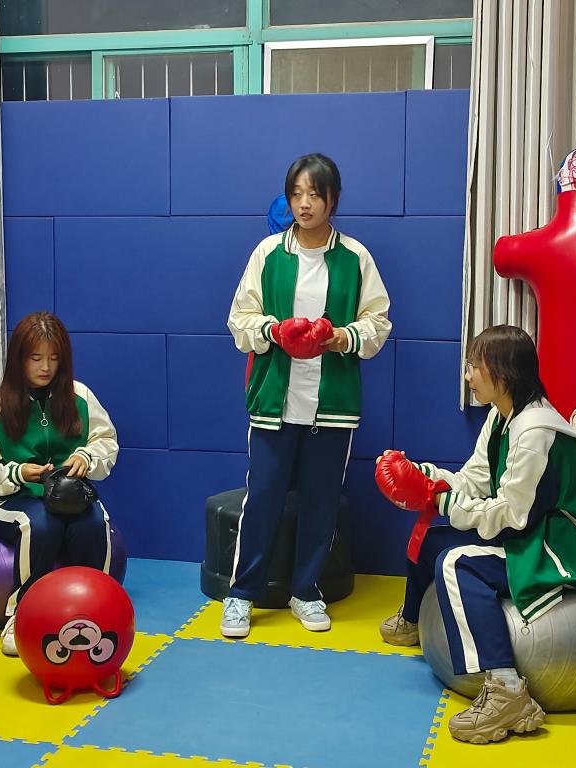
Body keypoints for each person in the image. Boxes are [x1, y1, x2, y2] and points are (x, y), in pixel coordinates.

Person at [375, 325, 576, 743]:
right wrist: (425, 480)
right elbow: (475, 481)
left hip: (559, 545)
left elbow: (511, 514)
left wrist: (446, 503)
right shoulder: (501, 417)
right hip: (531, 532)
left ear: (503, 373)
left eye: (474, 367)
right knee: (431, 540)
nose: (467, 375)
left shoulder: (534, 431)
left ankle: (507, 690)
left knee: (455, 563)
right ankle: (413, 620)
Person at [224, 153, 391, 637]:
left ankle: (306, 590)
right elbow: (239, 319)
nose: (305, 204)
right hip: (273, 402)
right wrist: (275, 330)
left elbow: (377, 322)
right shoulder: (267, 253)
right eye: (296, 194)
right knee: (263, 498)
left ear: (332, 200)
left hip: (332, 404)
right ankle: (241, 594)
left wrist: (341, 337)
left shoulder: (355, 257)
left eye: (315, 194)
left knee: (322, 502)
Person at [0, 311, 119, 656]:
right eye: (35, 358)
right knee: (40, 526)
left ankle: (98, 612)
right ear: (19, 359)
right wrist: (18, 473)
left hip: (71, 495)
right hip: (14, 499)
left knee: (94, 523)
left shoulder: (80, 396)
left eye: (53, 358)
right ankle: (21, 615)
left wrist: (87, 457)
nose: (45, 367)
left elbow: (106, 442)